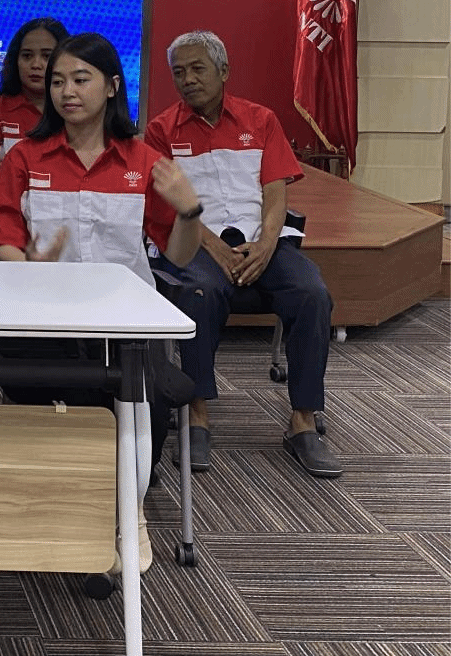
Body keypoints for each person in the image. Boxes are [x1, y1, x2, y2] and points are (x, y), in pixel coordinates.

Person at [0, 32, 202, 572]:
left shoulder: (143, 161)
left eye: (80, 79)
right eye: (58, 81)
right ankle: (83, 503)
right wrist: (27, 267)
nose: (66, 91)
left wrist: (189, 211)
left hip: (124, 323)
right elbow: (0, 237)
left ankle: (129, 507)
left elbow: (176, 255)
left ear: (112, 86)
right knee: (67, 394)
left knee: (143, 401)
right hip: (45, 320)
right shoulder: (25, 157)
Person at [144, 30, 341, 478]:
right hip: (197, 242)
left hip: (261, 240)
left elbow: (275, 192)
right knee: (199, 291)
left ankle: (303, 421)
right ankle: (196, 414)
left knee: (312, 292)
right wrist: (214, 247)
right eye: (179, 72)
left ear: (224, 71)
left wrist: (267, 244)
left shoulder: (261, 120)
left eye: (198, 69)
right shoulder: (161, 131)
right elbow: (167, 207)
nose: (188, 79)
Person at [0, 17, 69, 207]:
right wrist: (12, 218)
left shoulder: (78, 113)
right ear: (15, 61)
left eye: (47, 56)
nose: (36, 64)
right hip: (7, 219)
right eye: (27, 56)